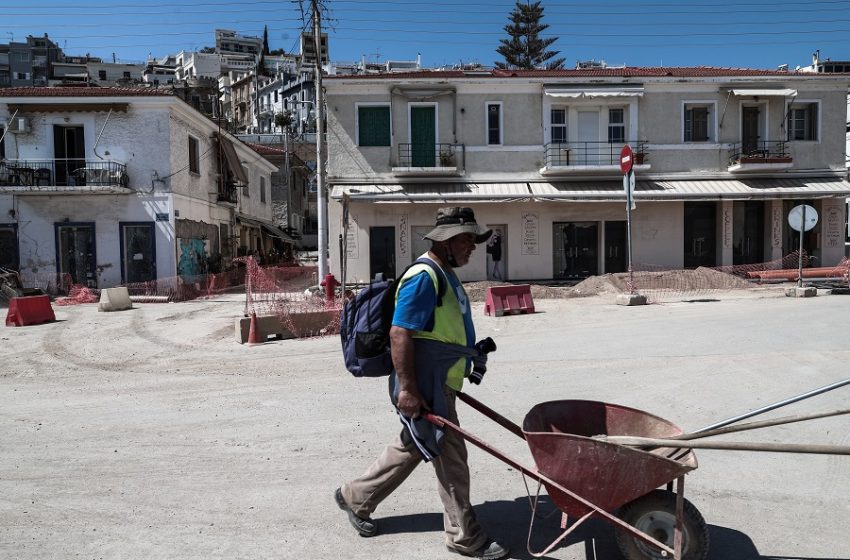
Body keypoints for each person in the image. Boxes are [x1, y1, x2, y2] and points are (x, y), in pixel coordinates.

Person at [335, 207, 509, 560]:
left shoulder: (443, 273)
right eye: (466, 240)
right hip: (424, 385)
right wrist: (409, 390)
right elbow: (400, 333)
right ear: (446, 241)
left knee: (413, 445)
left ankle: (355, 495)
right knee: (452, 457)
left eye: (473, 240)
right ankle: (465, 537)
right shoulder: (424, 276)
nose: (472, 247)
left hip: (437, 382)